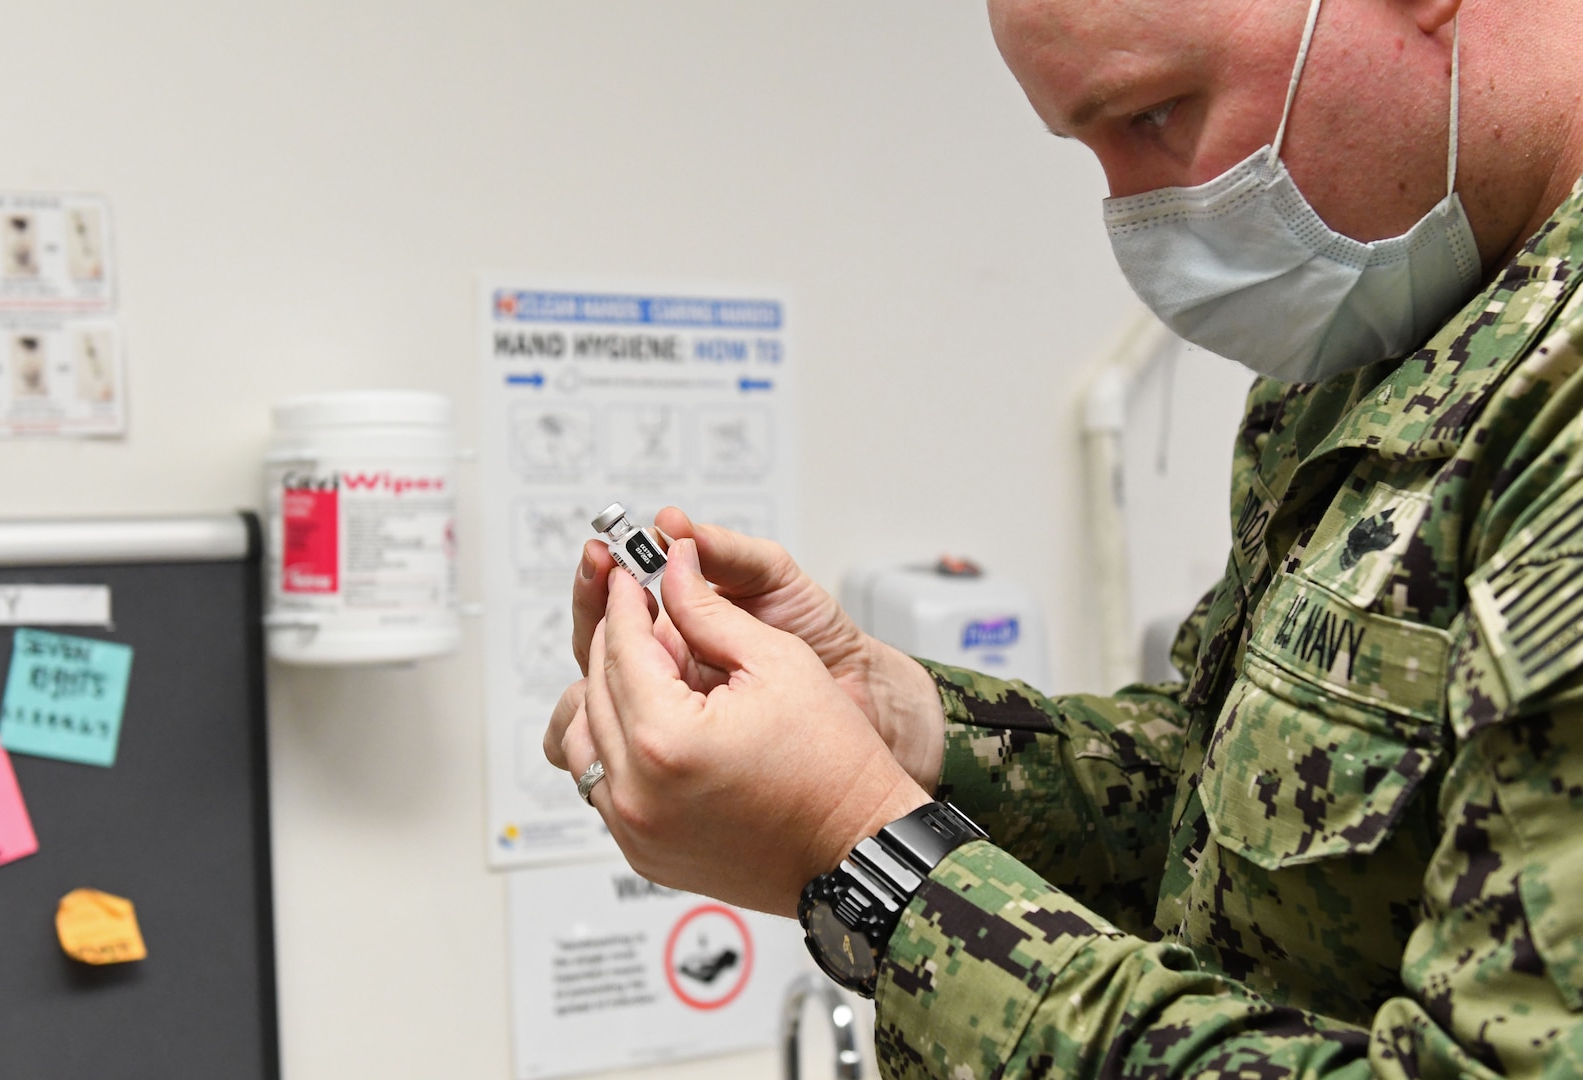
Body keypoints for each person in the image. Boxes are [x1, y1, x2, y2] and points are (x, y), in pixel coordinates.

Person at [546, 0, 1583, 1074]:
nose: (1137, 215)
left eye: (1155, 114)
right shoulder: (1387, 335)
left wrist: (871, 857)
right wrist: (894, 718)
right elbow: (1224, 793)